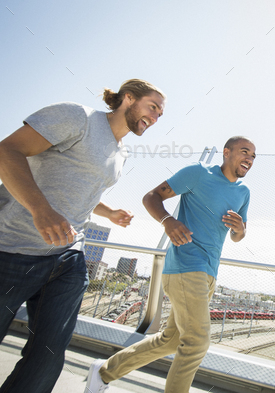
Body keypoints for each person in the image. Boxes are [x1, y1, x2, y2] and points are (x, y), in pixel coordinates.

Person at [0, 79, 166, 393]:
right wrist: (40, 209)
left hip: (68, 260)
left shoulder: (121, 153)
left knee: (47, 357)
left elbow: (81, 190)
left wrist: (110, 213)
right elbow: (8, 151)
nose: (156, 118)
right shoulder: (77, 118)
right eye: (153, 107)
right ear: (128, 98)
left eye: (160, 114)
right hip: (12, 249)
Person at [85, 136, 256, 393]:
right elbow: (151, 196)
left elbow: (237, 236)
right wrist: (168, 221)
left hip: (208, 273)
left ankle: (104, 371)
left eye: (253, 156)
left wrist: (240, 229)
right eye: (245, 152)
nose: (250, 159)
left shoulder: (243, 192)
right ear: (226, 152)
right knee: (197, 342)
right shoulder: (198, 173)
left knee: (170, 340)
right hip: (186, 267)